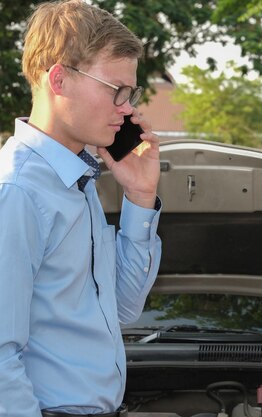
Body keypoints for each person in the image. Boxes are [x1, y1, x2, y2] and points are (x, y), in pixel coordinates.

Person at [0, 1, 162, 416]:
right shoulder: (17, 192)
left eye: (131, 93)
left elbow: (125, 308)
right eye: (116, 90)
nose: (127, 107)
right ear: (59, 79)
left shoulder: (77, 178)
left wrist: (140, 197)